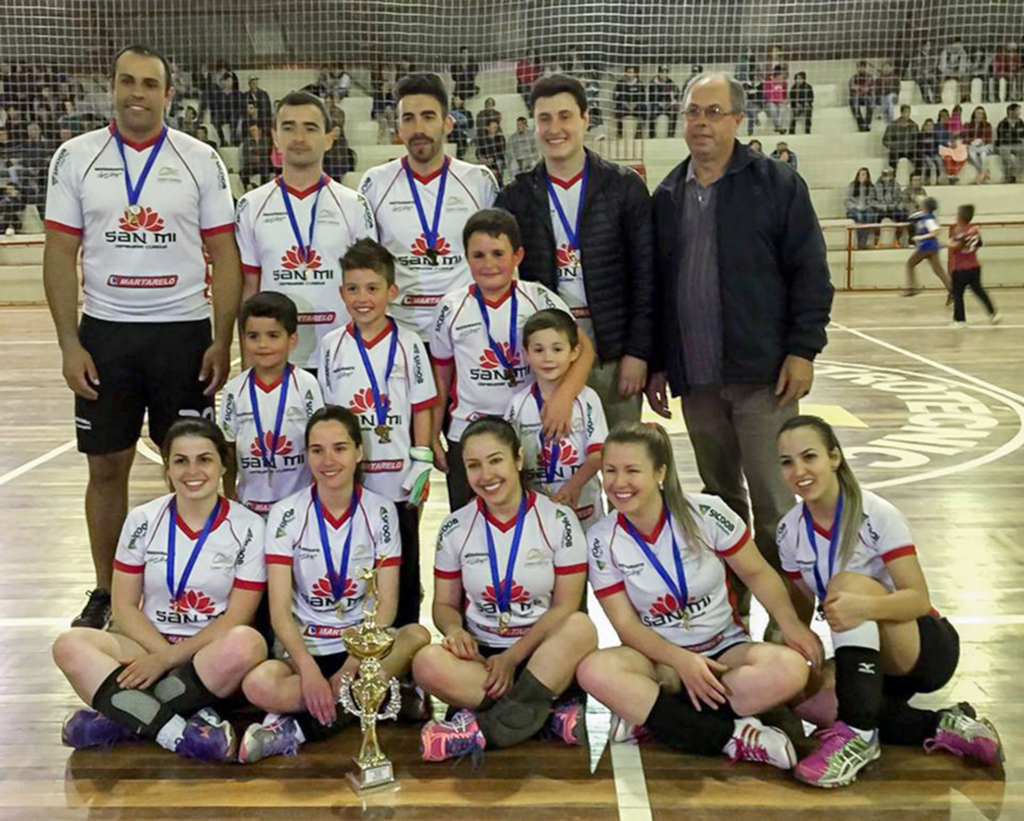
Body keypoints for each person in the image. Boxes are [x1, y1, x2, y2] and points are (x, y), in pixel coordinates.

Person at [43, 44, 241, 630]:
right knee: (106, 467)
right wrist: (69, 344)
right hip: (106, 333)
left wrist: (220, 338)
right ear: (113, 88)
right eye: (127, 81)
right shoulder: (75, 157)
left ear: (168, 94)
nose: (137, 93)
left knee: (197, 465)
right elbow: (60, 253)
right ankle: (108, 592)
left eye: (149, 84)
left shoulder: (200, 158)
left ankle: (206, 583)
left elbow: (225, 254)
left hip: (181, 332)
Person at [647, 73, 833, 607]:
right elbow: (661, 291)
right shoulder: (666, 195)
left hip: (763, 376)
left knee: (776, 503)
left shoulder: (776, 185)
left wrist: (803, 349)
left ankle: (788, 622)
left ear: (736, 121)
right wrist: (662, 363)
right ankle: (734, 612)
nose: (700, 122)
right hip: (698, 381)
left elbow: (810, 274)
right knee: (721, 502)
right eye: (692, 112)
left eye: (712, 112)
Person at [775, 415, 1004, 788]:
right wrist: (790, 647)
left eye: (809, 457)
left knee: (848, 585)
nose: (799, 470)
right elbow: (800, 605)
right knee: (804, 697)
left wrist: (864, 608)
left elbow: (917, 599)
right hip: (864, 657)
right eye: (787, 462)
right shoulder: (789, 530)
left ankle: (859, 739)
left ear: (834, 457)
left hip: (921, 646)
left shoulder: (876, 514)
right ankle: (946, 724)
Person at [576, 421, 821, 765]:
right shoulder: (601, 539)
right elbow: (626, 626)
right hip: (658, 662)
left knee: (791, 669)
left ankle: (656, 717)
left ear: (660, 471)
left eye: (633, 470)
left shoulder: (707, 512)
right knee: (593, 670)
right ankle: (733, 736)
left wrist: (791, 625)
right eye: (610, 471)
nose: (619, 483)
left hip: (724, 650)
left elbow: (758, 573)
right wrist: (680, 661)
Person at [52, 419, 268, 762]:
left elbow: (237, 618)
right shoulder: (142, 520)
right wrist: (157, 653)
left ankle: (123, 716)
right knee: (69, 645)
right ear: (167, 468)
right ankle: (178, 732)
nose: (192, 470)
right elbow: (123, 607)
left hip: (208, 655)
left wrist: (166, 661)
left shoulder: (250, 527)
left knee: (249, 643)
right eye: (181, 460)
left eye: (204, 459)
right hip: (145, 645)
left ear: (223, 464)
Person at [238, 407, 431, 762]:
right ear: (306, 455)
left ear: (359, 452)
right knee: (257, 683)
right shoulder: (286, 514)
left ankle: (296, 729)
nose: (328, 460)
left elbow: (386, 606)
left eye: (340, 448)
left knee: (416, 635)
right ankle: (378, 698)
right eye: (317, 450)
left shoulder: (382, 511)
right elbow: (280, 611)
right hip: (307, 650)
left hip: (362, 652)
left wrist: (348, 670)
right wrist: (309, 671)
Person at [413, 416, 597, 761]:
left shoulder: (559, 520)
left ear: (517, 459)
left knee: (581, 628)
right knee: (425, 662)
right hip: (483, 661)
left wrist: (513, 658)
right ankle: (542, 716)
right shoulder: (455, 526)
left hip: (542, 653)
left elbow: (566, 606)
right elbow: (444, 606)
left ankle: (480, 732)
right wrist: (454, 630)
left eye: (496, 460)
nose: (486, 475)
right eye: (474, 465)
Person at [497, 75, 654, 431]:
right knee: (558, 465)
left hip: (613, 348)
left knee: (621, 458)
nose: (555, 128)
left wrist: (638, 352)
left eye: (565, 116)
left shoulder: (624, 187)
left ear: (585, 119)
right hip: (548, 350)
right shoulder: (516, 197)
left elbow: (647, 276)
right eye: (545, 118)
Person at [430, 208, 595, 512]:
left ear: (518, 255)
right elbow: (441, 376)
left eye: (498, 253)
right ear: (466, 257)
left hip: (529, 430)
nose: (489, 264)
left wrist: (562, 399)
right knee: (471, 523)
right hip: (468, 432)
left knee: (532, 520)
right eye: (478, 255)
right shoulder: (450, 308)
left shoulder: (539, 298)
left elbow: (584, 349)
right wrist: (431, 436)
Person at [317, 239, 438, 627]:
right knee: (356, 563)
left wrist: (421, 461)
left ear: (391, 291)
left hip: (399, 482)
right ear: (341, 293)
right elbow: (325, 413)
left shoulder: (410, 345)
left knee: (402, 568)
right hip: (352, 482)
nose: (362, 298)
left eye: (372, 288)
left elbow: (422, 405)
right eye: (353, 289)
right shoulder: (331, 346)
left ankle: (404, 652)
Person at [235, 91, 376, 373]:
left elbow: (370, 286)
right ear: (275, 137)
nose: (298, 137)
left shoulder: (354, 205)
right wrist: (251, 363)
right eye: (289, 127)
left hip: (342, 358)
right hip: (276, 360)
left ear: (329, 138)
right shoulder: (251, 205)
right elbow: (250, 288)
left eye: (310, 128)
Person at [359, 73, 499, 344]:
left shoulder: (479, 180)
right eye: (408, 118)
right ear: (398, 127)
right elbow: (365, 264)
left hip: (467, 331)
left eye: (428, 116)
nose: (418, 128)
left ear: (448, 123)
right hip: (399, 335)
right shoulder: (375, 182)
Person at [220, 292, 324, 516]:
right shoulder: (234, 390)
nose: (263, 344)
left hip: (299, 507)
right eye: (253, 336)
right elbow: (227, 447)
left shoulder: (307, 385)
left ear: (292, 339)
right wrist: (230, 495)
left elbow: (318, 440)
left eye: (273, 335)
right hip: (251, 508)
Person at [506, 309, 607, 530]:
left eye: (557, 349)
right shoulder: (518, 404)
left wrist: (574, 486)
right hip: (536, 513)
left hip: (584, 509)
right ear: (526, 354)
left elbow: (598, 455)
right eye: (538, 350)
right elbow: (510, 458)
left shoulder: (588, 399)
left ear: (574, 352)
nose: (548, 358)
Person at [949, 205, 999, 326]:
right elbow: (979, 243)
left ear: (960, 216)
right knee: (979, 291)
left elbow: (958, 246)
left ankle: (960, 320)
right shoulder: (974, 229)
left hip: (961, 268)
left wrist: (949, 243)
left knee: (958, 294)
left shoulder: (958, 230)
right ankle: (993, 313)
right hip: (974, 266)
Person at [904, 196, 952, 297]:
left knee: (910, 264)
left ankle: (912, 287)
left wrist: (920, 238)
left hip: (926, 246)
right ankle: (952, 291)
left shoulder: (928, 218)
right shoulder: (928, 216)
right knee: (938, 270)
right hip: (933, 247)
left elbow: (935, 232)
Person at [872, 168, 910, 247]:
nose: (887, 178)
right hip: (881, 208)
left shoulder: (896, 185)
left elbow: (900, 198)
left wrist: (894, 205)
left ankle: (897, 239)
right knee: (875, 216)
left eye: (889, 175)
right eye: (885, 175)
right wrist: (882, 206)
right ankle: (877, 239)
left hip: (893, 207)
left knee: (902, 214)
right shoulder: (876, 186)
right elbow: (872, 200)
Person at [844, 168, 877, 250]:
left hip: (866, 208)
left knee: (869, 216)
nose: (862, 176)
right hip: (854, 208)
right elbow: (846, 200)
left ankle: (863, 242)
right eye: (860, 174)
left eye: (864, 174)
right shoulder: (852, 185)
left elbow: (872, 201)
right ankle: (859, 242)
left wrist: (866, 206)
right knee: (859, 216)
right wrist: (855, 206)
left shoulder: (871, 187)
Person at [883, 105, 919, 174]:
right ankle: (892, 175)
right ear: (901, 113)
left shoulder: (914, 126)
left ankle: (916, 175)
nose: (907, 115)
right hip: (896, 149)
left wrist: (910, 146)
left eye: (908, 112)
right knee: (892, 156)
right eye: (905, 112)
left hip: (909, 149)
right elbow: (885, 140)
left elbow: (917, 140)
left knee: (918, 155)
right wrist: (895, 146)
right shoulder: (892, 125)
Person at [613, 66, 646, 139]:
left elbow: (643, 97)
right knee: (618, 109)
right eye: (628, 72)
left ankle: (639, 131)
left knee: (643, 108)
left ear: (635, 74)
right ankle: (620, 132)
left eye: (631, 72)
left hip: (636, 106)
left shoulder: (640, 84)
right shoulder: (620, 83)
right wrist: (626, 104)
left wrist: (635, 104)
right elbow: (616, 97)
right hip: (625, 106)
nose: (629, 74)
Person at [647, 66, 680, 138]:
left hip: (668, 105)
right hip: (657, 105)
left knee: (673, 112)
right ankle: (652, 135)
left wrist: (671, 102)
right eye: (662, 72)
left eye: (666, 72)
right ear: (659, 73)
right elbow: (651, 98)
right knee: (653, 111)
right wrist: (659, 103)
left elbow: (675, 95)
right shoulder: (653, 84)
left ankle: (671, 135)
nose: (664, 75)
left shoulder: (671, 83)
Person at [964, 106, 993, 184]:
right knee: (971, 153)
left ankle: (980, 175)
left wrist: (981, 141)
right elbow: (965, 137)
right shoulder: (968, 125)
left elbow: (988, 138)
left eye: (981, 114)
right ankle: (984, 173)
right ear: (974, 114)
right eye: (978, 113)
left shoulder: (987, 125)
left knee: (983, 154)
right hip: (973, 146)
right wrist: (972, 142)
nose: (980, 115)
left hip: (985, 146)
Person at [995, 103, 1023, 183]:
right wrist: (1016, 137)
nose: (1019, 113)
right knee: (1006, 154)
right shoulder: (1002, 124)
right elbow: (1002, 139)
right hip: (1005, 145)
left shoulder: (1020, 122)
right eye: (1018, 111)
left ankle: (1014, 175)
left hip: (1017, 145)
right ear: (1011, 111)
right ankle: (1009, 176)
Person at [476, 119, 507, 186]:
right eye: (493, 127)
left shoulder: (500, 138)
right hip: (485, 160)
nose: (495, 129)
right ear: (488, 128)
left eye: (496, 127)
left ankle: (499, 184)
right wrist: (482, 158)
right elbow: (478, 152)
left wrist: (493, 159)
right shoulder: (482, 139)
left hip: (496, 160)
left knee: (499, 163)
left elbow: (501, 152)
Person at [848, 61, 875, 132]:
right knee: (853, 101)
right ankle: (861, 124)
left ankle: (867, 124)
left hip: (867, 97)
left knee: (871, 102)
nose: (862, 69)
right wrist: (862, 89)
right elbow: (852, 88)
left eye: (864, 67)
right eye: (860, 67)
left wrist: (862, 89)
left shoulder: (870, 77)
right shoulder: (853, 78)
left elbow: (871, 88)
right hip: (857, 97)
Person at [762, 66, 788, 133]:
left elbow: (785, 94)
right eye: (781, 76)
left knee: (783, 109)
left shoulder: (784, 83)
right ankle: (779, 127)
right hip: (770, 102)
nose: (782, 78)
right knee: (773, 109)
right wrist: (777, 101)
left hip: (780, 102)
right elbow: (767, 94)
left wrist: (784, 101)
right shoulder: (768, 82)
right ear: (776, 76)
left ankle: (778, 127)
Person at [916, 119, 942, 185]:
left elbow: (936, 146)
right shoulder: (921, 136)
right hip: (924, 155)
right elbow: (919, 147)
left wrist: (935, 154)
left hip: (933, 153)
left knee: (940, 160)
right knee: (932, 165)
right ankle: (932, 182)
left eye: (931, 125)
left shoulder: (934, 136)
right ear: (924, 126)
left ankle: (941, 178)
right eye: (928, 125)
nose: (929, 127)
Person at [788, 70, 813, 134]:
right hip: (796, 105)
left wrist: (806, 102)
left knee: (808, 111)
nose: (798, 80)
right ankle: (791, 132)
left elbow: (811, 97)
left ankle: (807, 131)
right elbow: (791, 98)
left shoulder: (808, 87)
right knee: (793, 114)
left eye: (800, 79)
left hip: (805, 104)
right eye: (797, 79)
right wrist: (796, 104)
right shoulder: (794, 88)